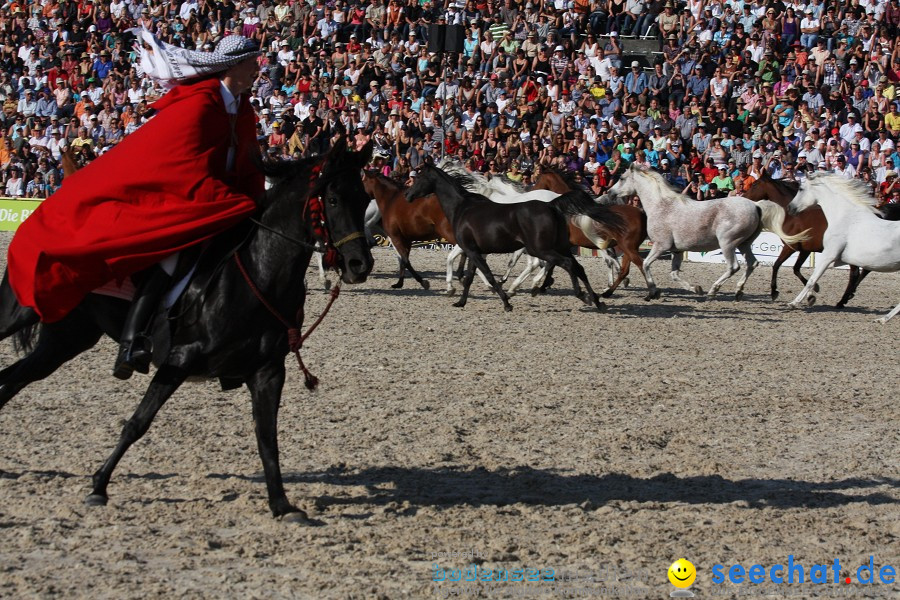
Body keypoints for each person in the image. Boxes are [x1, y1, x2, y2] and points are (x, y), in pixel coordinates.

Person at [7, 35, 266, 380]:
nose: (257, 69)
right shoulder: (201, 103)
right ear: (235, 64)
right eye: (252, 63)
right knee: (171, 258)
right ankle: (133, 342)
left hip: (218, 199)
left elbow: (248, 161)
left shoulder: (242, 108)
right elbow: (180, 165)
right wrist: (222, 197)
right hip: (181, 198)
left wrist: (254, 198)